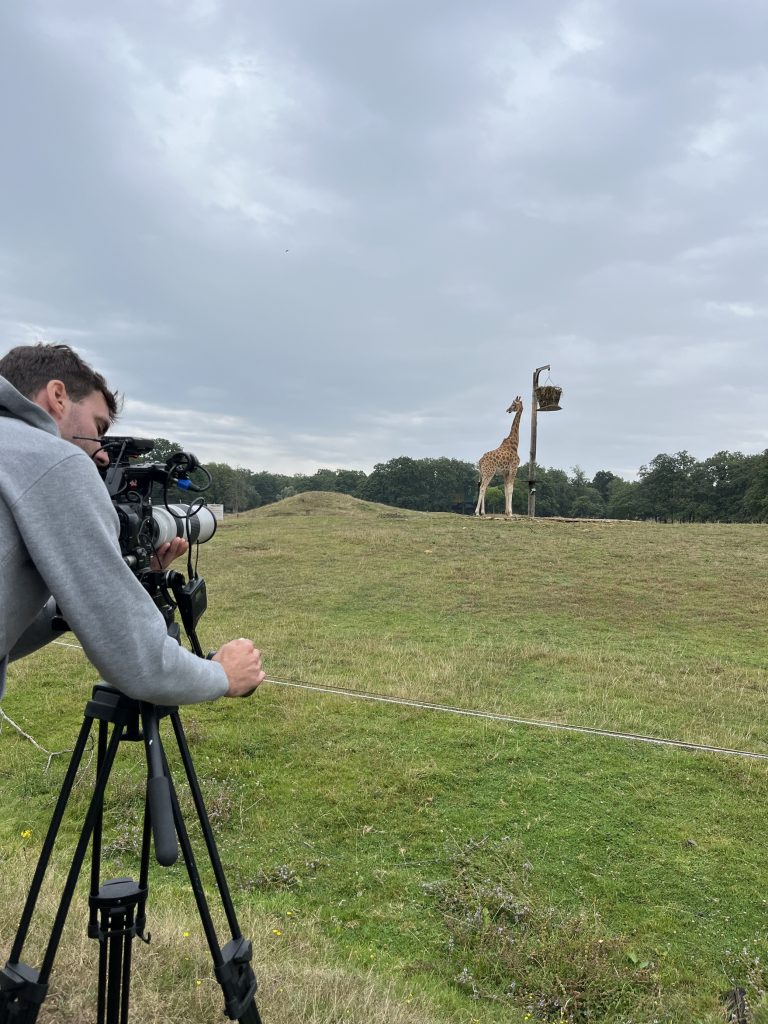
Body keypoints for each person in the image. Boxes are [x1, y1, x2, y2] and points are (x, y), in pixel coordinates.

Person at [0, 343, 265, 704]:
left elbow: (8, 633)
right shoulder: (53, 458)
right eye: (98, 427)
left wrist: (120, 569)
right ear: (57, 396)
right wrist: (222, 675)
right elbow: (139, 662)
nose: (103, 453)